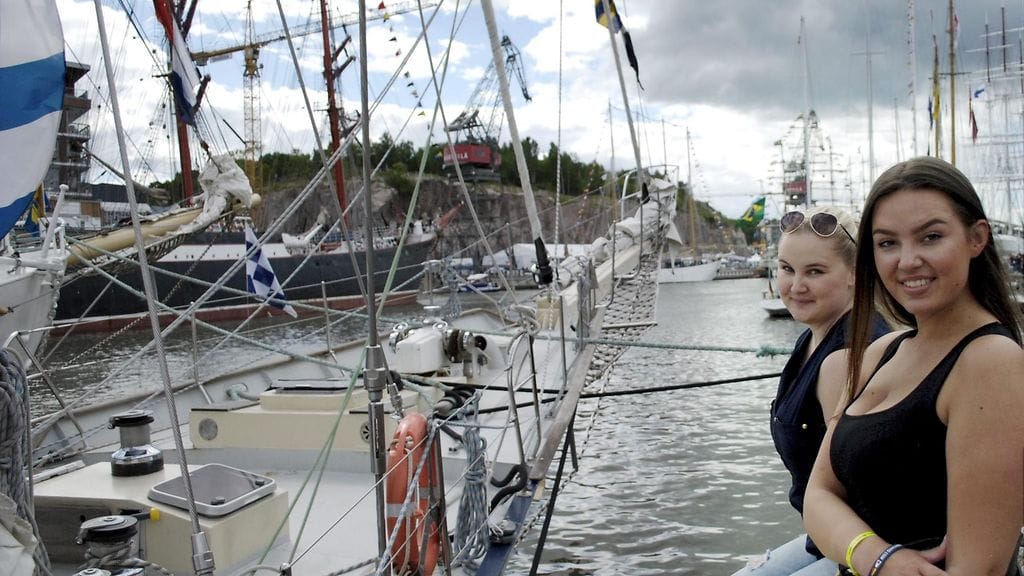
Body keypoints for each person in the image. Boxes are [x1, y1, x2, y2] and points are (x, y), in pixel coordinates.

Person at [804, 156, 1024, 576]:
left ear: (976, 238)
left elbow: (979, 568)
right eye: (887, 243)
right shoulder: (879, 354)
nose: (907, 261)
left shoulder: (990, 362)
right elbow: (818, 496)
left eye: (931, 237)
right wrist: (879, 558)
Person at [733, 206, 889, 576]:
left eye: (815, 272)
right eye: (787, 269)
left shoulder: (846, 359)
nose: (796, 285)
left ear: (854, 274)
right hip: (826, 537)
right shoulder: (814, 338)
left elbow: (866, 490)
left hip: (872, 541)